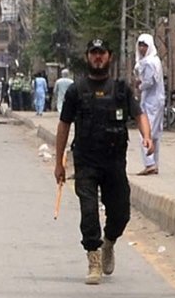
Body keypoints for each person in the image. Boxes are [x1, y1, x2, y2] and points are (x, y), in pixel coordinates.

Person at [53, 37, 154, 285]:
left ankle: (109, 242)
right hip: (86, 161)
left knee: (120, 213)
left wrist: (147, 136)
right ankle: (94, 258)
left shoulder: (120, 90)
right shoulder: (77, 90)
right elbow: (64, 125)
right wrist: (59, 162)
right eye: (93, 53)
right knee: (89, 211)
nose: (98, 57)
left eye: (102, 53)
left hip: (114, 162)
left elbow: (139, 114)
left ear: (109, 56)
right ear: (88, 57)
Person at [134, 33, 166, 175]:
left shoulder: (148, 62)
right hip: (157, 100)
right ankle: (154, 163)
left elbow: (149, 82)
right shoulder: (155, 60)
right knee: (155, 134)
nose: (142, 48)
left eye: (144, 45)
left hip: (150, 101)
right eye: (140, 45)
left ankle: (150, 163)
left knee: (145, 133)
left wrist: (139, 86)